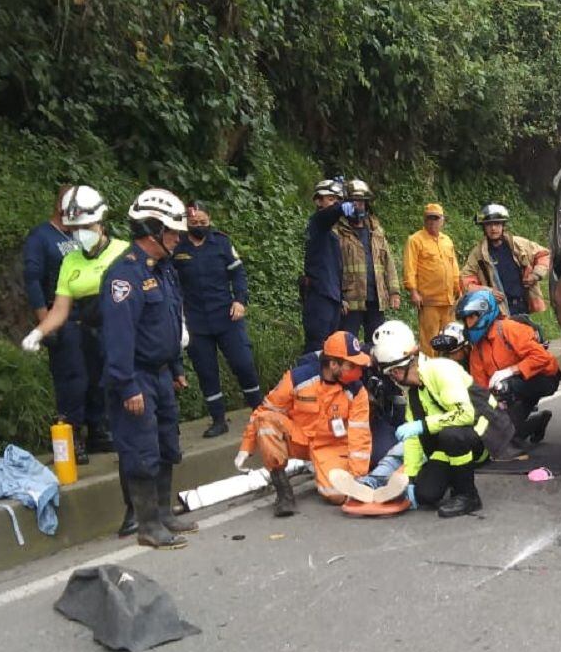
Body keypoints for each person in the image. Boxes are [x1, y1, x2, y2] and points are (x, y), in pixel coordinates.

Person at [21, 184, 138, 535]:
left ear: (102, 222)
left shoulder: (123, 252)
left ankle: (108, 438)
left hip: (119, 336)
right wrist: (39, 331)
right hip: (78, 329)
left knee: (119, 398)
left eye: (85, 228)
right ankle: (132, 504)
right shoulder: (68, 259)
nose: (80, 235)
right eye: (74, 230)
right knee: (76, 382)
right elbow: (58, 305)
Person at [101, 187, 197, 549]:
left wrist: (176, 366)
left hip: (160, 372)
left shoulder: (164, 270)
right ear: (152, 229)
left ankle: (164, 511)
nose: (177, 237)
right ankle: (146, 524)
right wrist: (127, 386)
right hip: (135, 375)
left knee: (165, 442)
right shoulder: (123, 277)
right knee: (141, 449)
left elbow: (169, 323)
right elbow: (119, 339)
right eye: (171, 231)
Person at [21, 185, 119, 463]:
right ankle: (72, 433)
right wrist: (43, 324)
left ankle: (98, 427)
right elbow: (34, 281)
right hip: (63, 318)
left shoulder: (89, 241)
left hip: (93, 318)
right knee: (73, 379)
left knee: (98, 375)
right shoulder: (41, 238)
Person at [233, 331, 373, 516]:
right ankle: (283, 492)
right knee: (266, 421)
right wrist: (246, 447)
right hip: (299, 439)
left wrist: (357, 479)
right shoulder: (297, 379)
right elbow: (265, 410)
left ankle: (324, 474)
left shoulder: (357, 391)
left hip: (331, 445)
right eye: (352, 365)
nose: (358, 370)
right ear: (333, 364)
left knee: (337, 494)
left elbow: (360, 438)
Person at [371, 320, 487, 518]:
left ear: (397, 370)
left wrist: (423, 425)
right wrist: (412, 477)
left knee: (451, 435)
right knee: (427, 494)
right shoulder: (414, 394)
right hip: (446, 443)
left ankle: (468, 495)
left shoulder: (441, 371)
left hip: (480, 435)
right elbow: (413, 441)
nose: (393, 378)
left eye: (392, 373)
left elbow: (466, 414)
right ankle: (453, 474)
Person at [172, 200, 262, 437]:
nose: (199, 226)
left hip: (226, 316)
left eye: (203, 222)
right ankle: (218, 419)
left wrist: (240, 300)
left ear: (209, 220)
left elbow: (238, 274)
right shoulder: (177, 248)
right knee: (206, 371)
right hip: (196, 321)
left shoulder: (221, 242)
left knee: (243, 363)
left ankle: (260, 412)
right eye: (194, 223)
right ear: (186, 223)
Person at [457, 289, 560, 443]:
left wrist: (511, 370)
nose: (468, 324)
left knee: (504, 386)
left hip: (542, 379)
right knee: (506, 435)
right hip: (511, 392)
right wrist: (492, 410)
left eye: (472, 317)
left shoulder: (508, 329)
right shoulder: (477, 349)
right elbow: (481, 388)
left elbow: (542, 357)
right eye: (466, 319)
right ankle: (538, 422)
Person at [335, 178, 401, 343]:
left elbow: (388, 262)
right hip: (350, 302)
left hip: (376, 300)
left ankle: (374, 370)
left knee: (377, 344)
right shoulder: (337, 232)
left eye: (362, 202)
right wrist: (338, 298)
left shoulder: (376, 230)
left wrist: (394, 292)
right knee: (347, 345)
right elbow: (333, 268)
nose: (359, 206)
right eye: (355, 202)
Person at [459, 204, 550, 316]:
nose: (493, 228)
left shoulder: (518, 245)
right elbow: (465, 283)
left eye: (497, 224)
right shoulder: (478, 254)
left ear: (503, 226)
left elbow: (544, 254)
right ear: (484, 227)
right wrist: (488, 292)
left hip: (522, 308)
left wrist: (536, 275)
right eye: (489, 224)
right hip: (497, 312)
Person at [403, 203, 462, 356]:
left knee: (451, 338)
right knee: (430, 341)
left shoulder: (447, 241)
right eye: (429, 218)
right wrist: (413, 292)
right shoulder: (415, 240)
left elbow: (453, 266)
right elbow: (410, 268)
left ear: (442, 220)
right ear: (424, 219)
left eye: (436, 218)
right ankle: (428, 375)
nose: (432, 222)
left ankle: (448, 371)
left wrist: (458, 288)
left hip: (449, 301)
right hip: (428, 301)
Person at [301, 178, 345, 355]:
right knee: (316, 349)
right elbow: (329, 215)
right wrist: (344, 205)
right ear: (318, 201)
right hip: (319, 296)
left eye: (337, 199)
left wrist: (341, 297)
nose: (335, 203)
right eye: (331, 198)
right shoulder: (318, 223)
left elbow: (336, 269)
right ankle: (307, 381)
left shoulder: (331, 234)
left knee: (331, 350)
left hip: (332, 297)